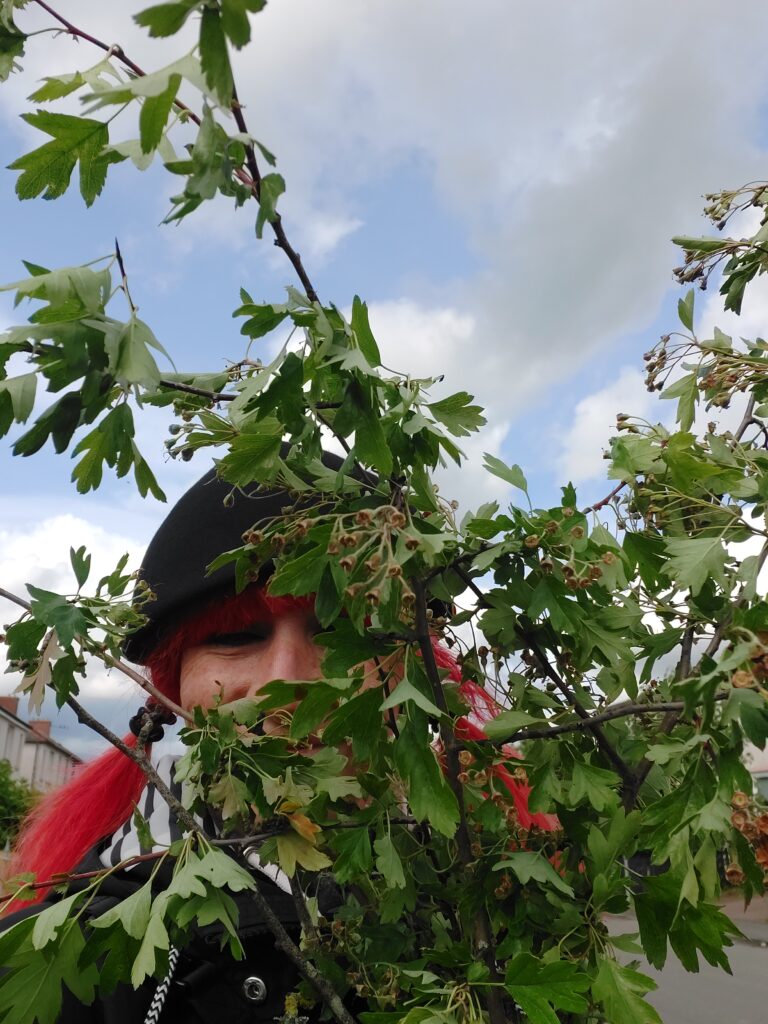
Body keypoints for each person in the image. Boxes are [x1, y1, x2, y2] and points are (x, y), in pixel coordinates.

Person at [0, 457, 557, 1023]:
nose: (286, 684)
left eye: (345, 633)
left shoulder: (514, 907)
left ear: (420, 674)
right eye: (236, 637)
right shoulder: (56, 949)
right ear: (174, 690)